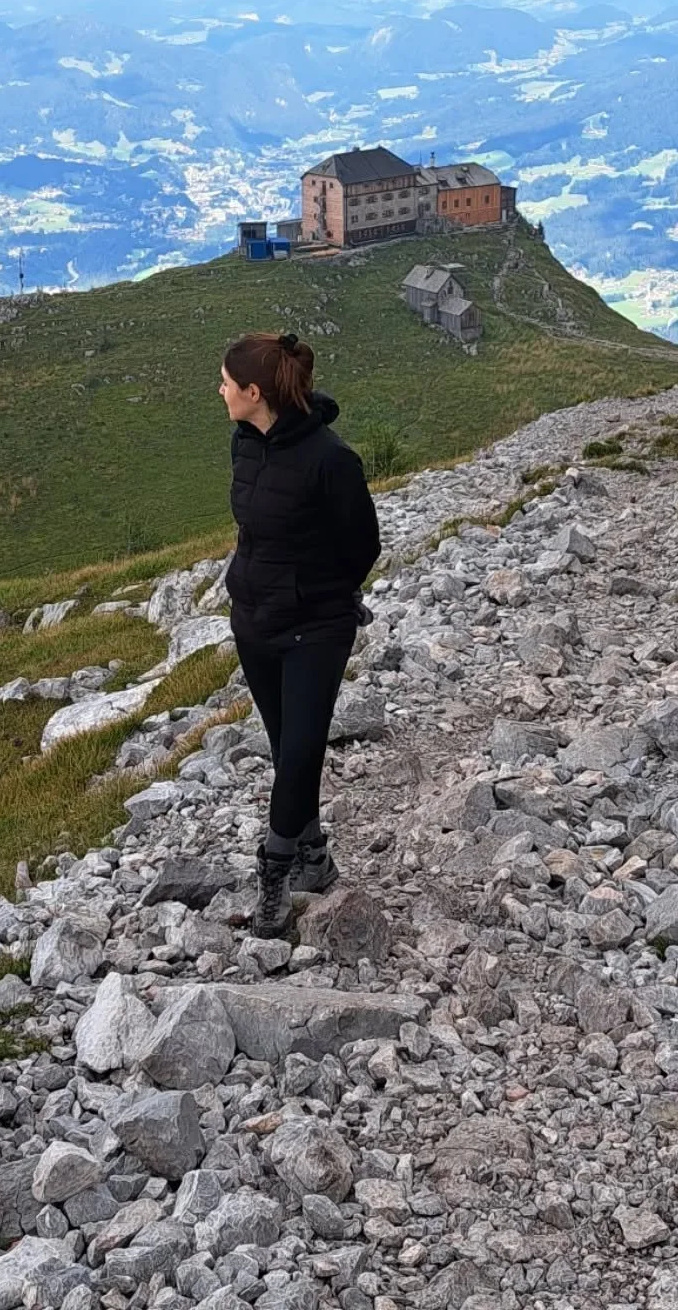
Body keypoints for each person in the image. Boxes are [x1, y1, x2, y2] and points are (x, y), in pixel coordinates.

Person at [219, 330, 382, 937]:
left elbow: (364, 545)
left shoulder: (331, 459)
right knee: (290, 748)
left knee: (301, 751)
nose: (221, 391)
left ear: (255, 392)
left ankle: (274, 874)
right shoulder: (244, 445)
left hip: (316, 628)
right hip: (255, 622)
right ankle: (315, 855)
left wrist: (324, 597)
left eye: (228, 384)